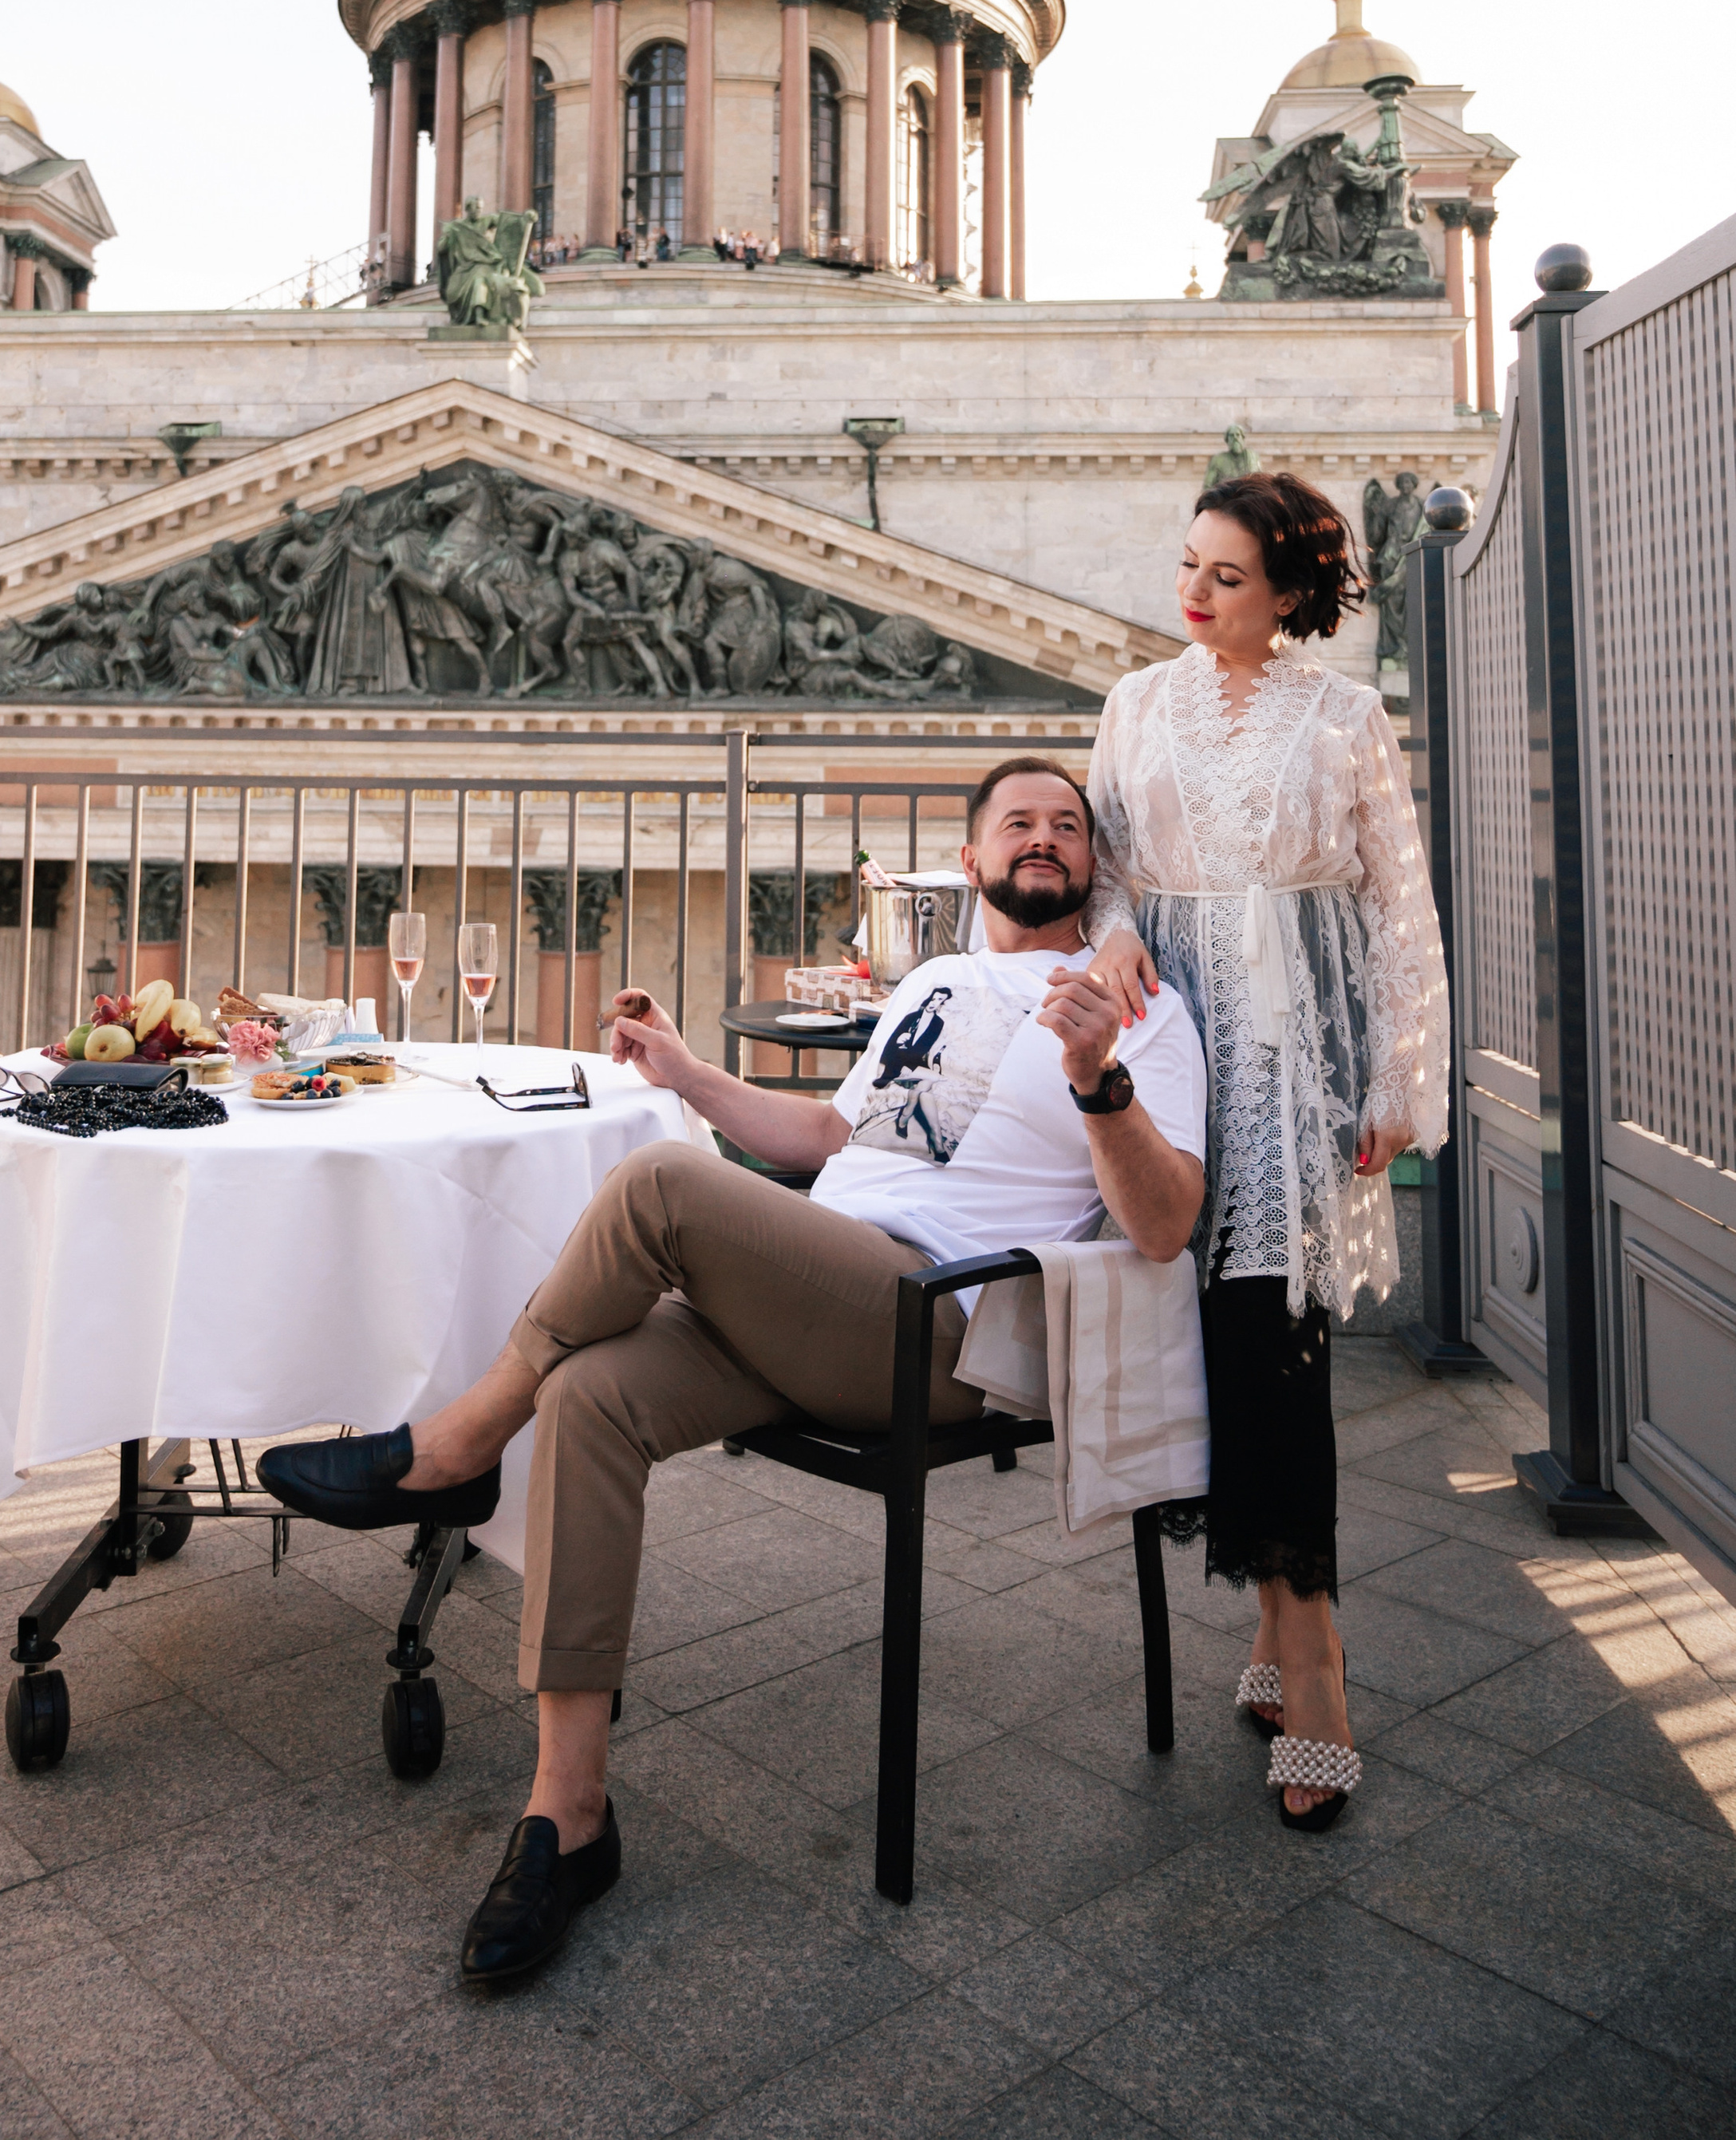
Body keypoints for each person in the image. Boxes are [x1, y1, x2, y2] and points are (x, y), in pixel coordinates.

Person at [259, 760, 1194, 1981]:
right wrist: (685, 1072)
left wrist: (1098, 1080)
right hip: (823, 1289)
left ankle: (458, 1444)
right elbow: (826, 1137)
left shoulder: (1138, 1008)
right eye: (1017, 821)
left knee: (658, 1181)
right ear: (969, 861)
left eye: (1067, 825)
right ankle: (568, 1813)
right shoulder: (936, 981)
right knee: (589, 1394)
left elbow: (1167, 1222)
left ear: (1092, 864)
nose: (1044, 837)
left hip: (939, 1326)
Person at [1087, 469, 1449, 1831]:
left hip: (1300, 1070)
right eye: (1189, 563)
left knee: (1277, 1352)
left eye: (1227, 575)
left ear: (1289, 593)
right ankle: (1275, 1634)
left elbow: (1400, 902)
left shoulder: (1345, 715)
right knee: (1210, 1346)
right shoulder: (1135, 704)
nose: (1193, 591)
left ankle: (1315, 1665)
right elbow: (1109, 868)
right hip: (1180, 1059)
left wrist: (1401, 1073)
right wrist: (1114, 932)